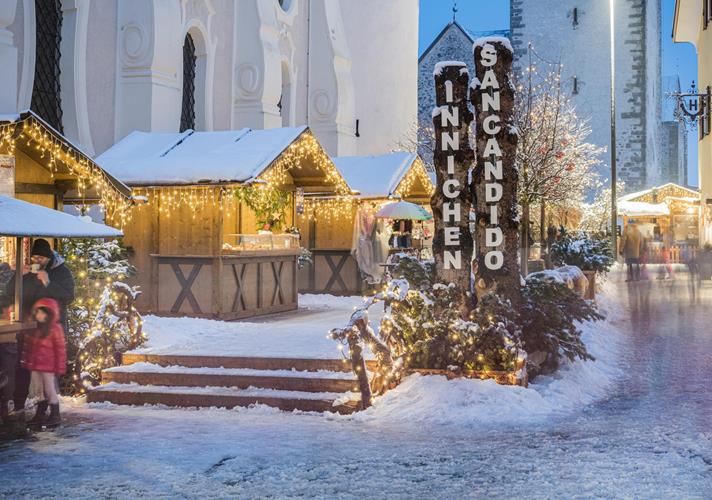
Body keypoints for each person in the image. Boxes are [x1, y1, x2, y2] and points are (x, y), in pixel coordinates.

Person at [5, 238, 74, 419]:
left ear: (49, 257)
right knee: (26, 367)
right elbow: (8, 292)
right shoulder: (29, 270)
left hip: (50, 330)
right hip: (29, 328)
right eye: (34, 257)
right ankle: (23, 405)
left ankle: (50, 409)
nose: (37, 261)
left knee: (46, 374)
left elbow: (68, 296)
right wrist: (19, 275)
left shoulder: (61, 271)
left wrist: (48, 282)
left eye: (41, 258)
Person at [20, 298, 66, 427]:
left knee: (49, 389)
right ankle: (40, 413)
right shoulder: (34, 328)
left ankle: (55, 414)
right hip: (35, 366)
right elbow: (28, 348)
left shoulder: (55, 329)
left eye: (43, 313)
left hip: (48, 367)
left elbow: (60, 350)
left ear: (49, 314)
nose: (39, 316)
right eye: (38, 313)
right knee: (38, 390)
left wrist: (60, 368)